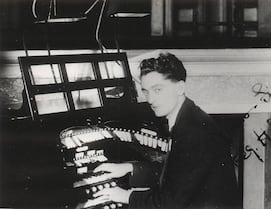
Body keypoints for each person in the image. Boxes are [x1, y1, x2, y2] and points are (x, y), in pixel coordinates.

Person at [92, 52, 240, 209]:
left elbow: (169, 203)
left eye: (158, 90)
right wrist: (130, 168)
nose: (150, 99)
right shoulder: (189, 117)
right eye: (146, 91)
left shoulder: (193, 132)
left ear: (180, 87)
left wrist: (126, 196)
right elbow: (178, 172)